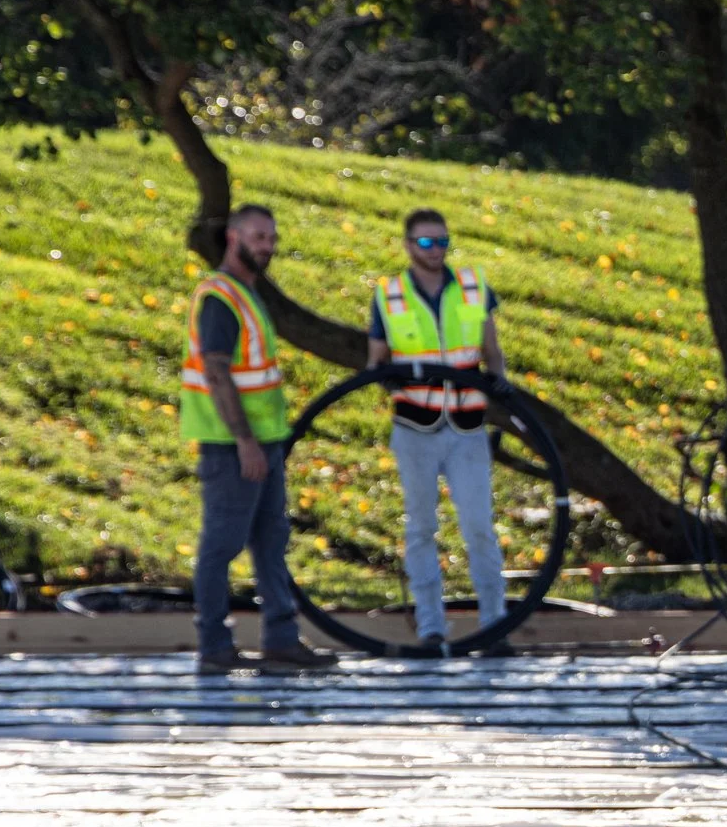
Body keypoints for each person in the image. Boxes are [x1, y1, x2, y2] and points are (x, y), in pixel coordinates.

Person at [182, 204, 339, 677]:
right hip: (233, 445)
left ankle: (281, 640)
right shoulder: (221, 298)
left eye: (270, 238)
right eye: (257, 237)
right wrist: (245, 441)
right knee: (222, 545)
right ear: (233, 238)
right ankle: (214, 646)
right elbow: (215, 370)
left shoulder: (247, 294)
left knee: (271, 541)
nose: (266, 247)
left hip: (264, 441)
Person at [366, 208, 514, 658]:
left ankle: (494, 627)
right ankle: (431, 628)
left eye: (442, 241)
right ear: (409, 246)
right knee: (422, 528)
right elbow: (375, 361)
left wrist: (499, 378)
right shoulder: (389, 295)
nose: (436, 250)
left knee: (479, 527)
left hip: (467, 425)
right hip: (415, 427)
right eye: (426, 243)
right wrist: (389, 378)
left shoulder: (472, 286)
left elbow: (491, 348)